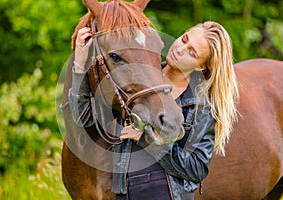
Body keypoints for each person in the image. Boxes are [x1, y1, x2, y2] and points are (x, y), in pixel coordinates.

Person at [68, 21, 239, 199]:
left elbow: (197, 168)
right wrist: (80, 64)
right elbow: (84, 119)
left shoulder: (200, 105)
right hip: (123, 191)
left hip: (164, 193)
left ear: (200, 66)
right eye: (184, 39)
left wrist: (147, 139)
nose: (180, 49)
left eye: (191, 52)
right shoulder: (140, 76)